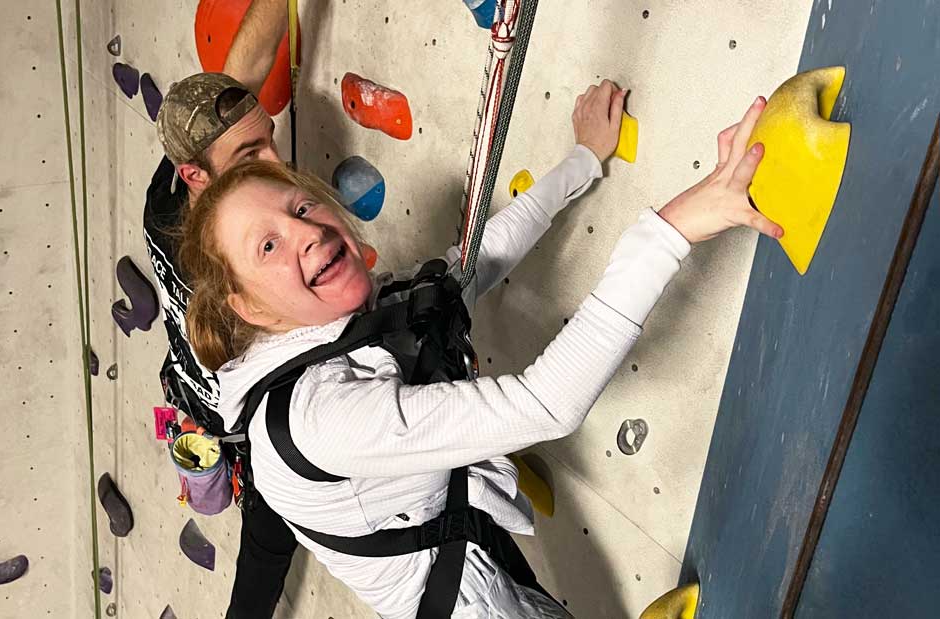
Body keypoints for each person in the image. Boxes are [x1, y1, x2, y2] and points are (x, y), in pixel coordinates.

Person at [179, 79, 782, 618]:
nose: (306, 234)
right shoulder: (319, 418)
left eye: (301, 206)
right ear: (250, 308)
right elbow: (545, 404)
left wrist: (582, 159)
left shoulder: (327, 323)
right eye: (267, 247)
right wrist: (673, 228)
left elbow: (472, 265)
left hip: (472, 568)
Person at [142, 2, 301, 617]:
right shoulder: (234, 267)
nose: (274, 161)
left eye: (268, 140)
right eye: (249, 156)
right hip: (226, 418)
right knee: (261, 548)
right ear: (198, 174)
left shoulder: (170, 194)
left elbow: (244, 71)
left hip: (187, 393)